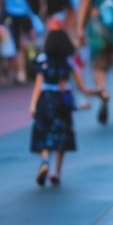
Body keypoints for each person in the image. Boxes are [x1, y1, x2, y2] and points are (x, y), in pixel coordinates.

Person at [29, 26, 101, 186]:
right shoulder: (69, 63)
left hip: (45, 100)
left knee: (45, 133)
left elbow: (38, 85)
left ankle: (45, 160)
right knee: (61, 136)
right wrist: (98, 92)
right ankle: (56, 173)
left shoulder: (43, 61)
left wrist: (33, 105)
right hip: (62, 101)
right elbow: (82, 88)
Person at [2, 0, 35, 85]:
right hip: (25, 17)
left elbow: (2, 2)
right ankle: (22, 73)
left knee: (12, 47)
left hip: (11, 18)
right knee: (22, 46)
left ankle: (12, 74)